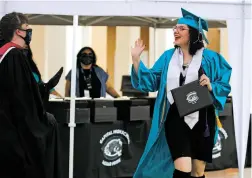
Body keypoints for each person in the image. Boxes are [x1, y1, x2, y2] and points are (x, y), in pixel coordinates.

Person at [131, 8, 232, 178]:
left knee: (198, 171)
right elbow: (150, 81)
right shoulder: (168, 57)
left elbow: (224, 82)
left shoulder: (211, 58)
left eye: (181, 28)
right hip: (175, 116)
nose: (175, 31)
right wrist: (136, 60)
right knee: (182, 170)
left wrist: (211, 85)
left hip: (203, 118)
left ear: (194, 34)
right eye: (175, 28)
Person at [0, 12, 62, 178]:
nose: (29, 32)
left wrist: (44, 88)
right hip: (13, 131)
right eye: (27, 28)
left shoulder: (3, 53)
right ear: (19, 31)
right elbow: (23, 100)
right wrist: (42, 121)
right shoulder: (14, 56)